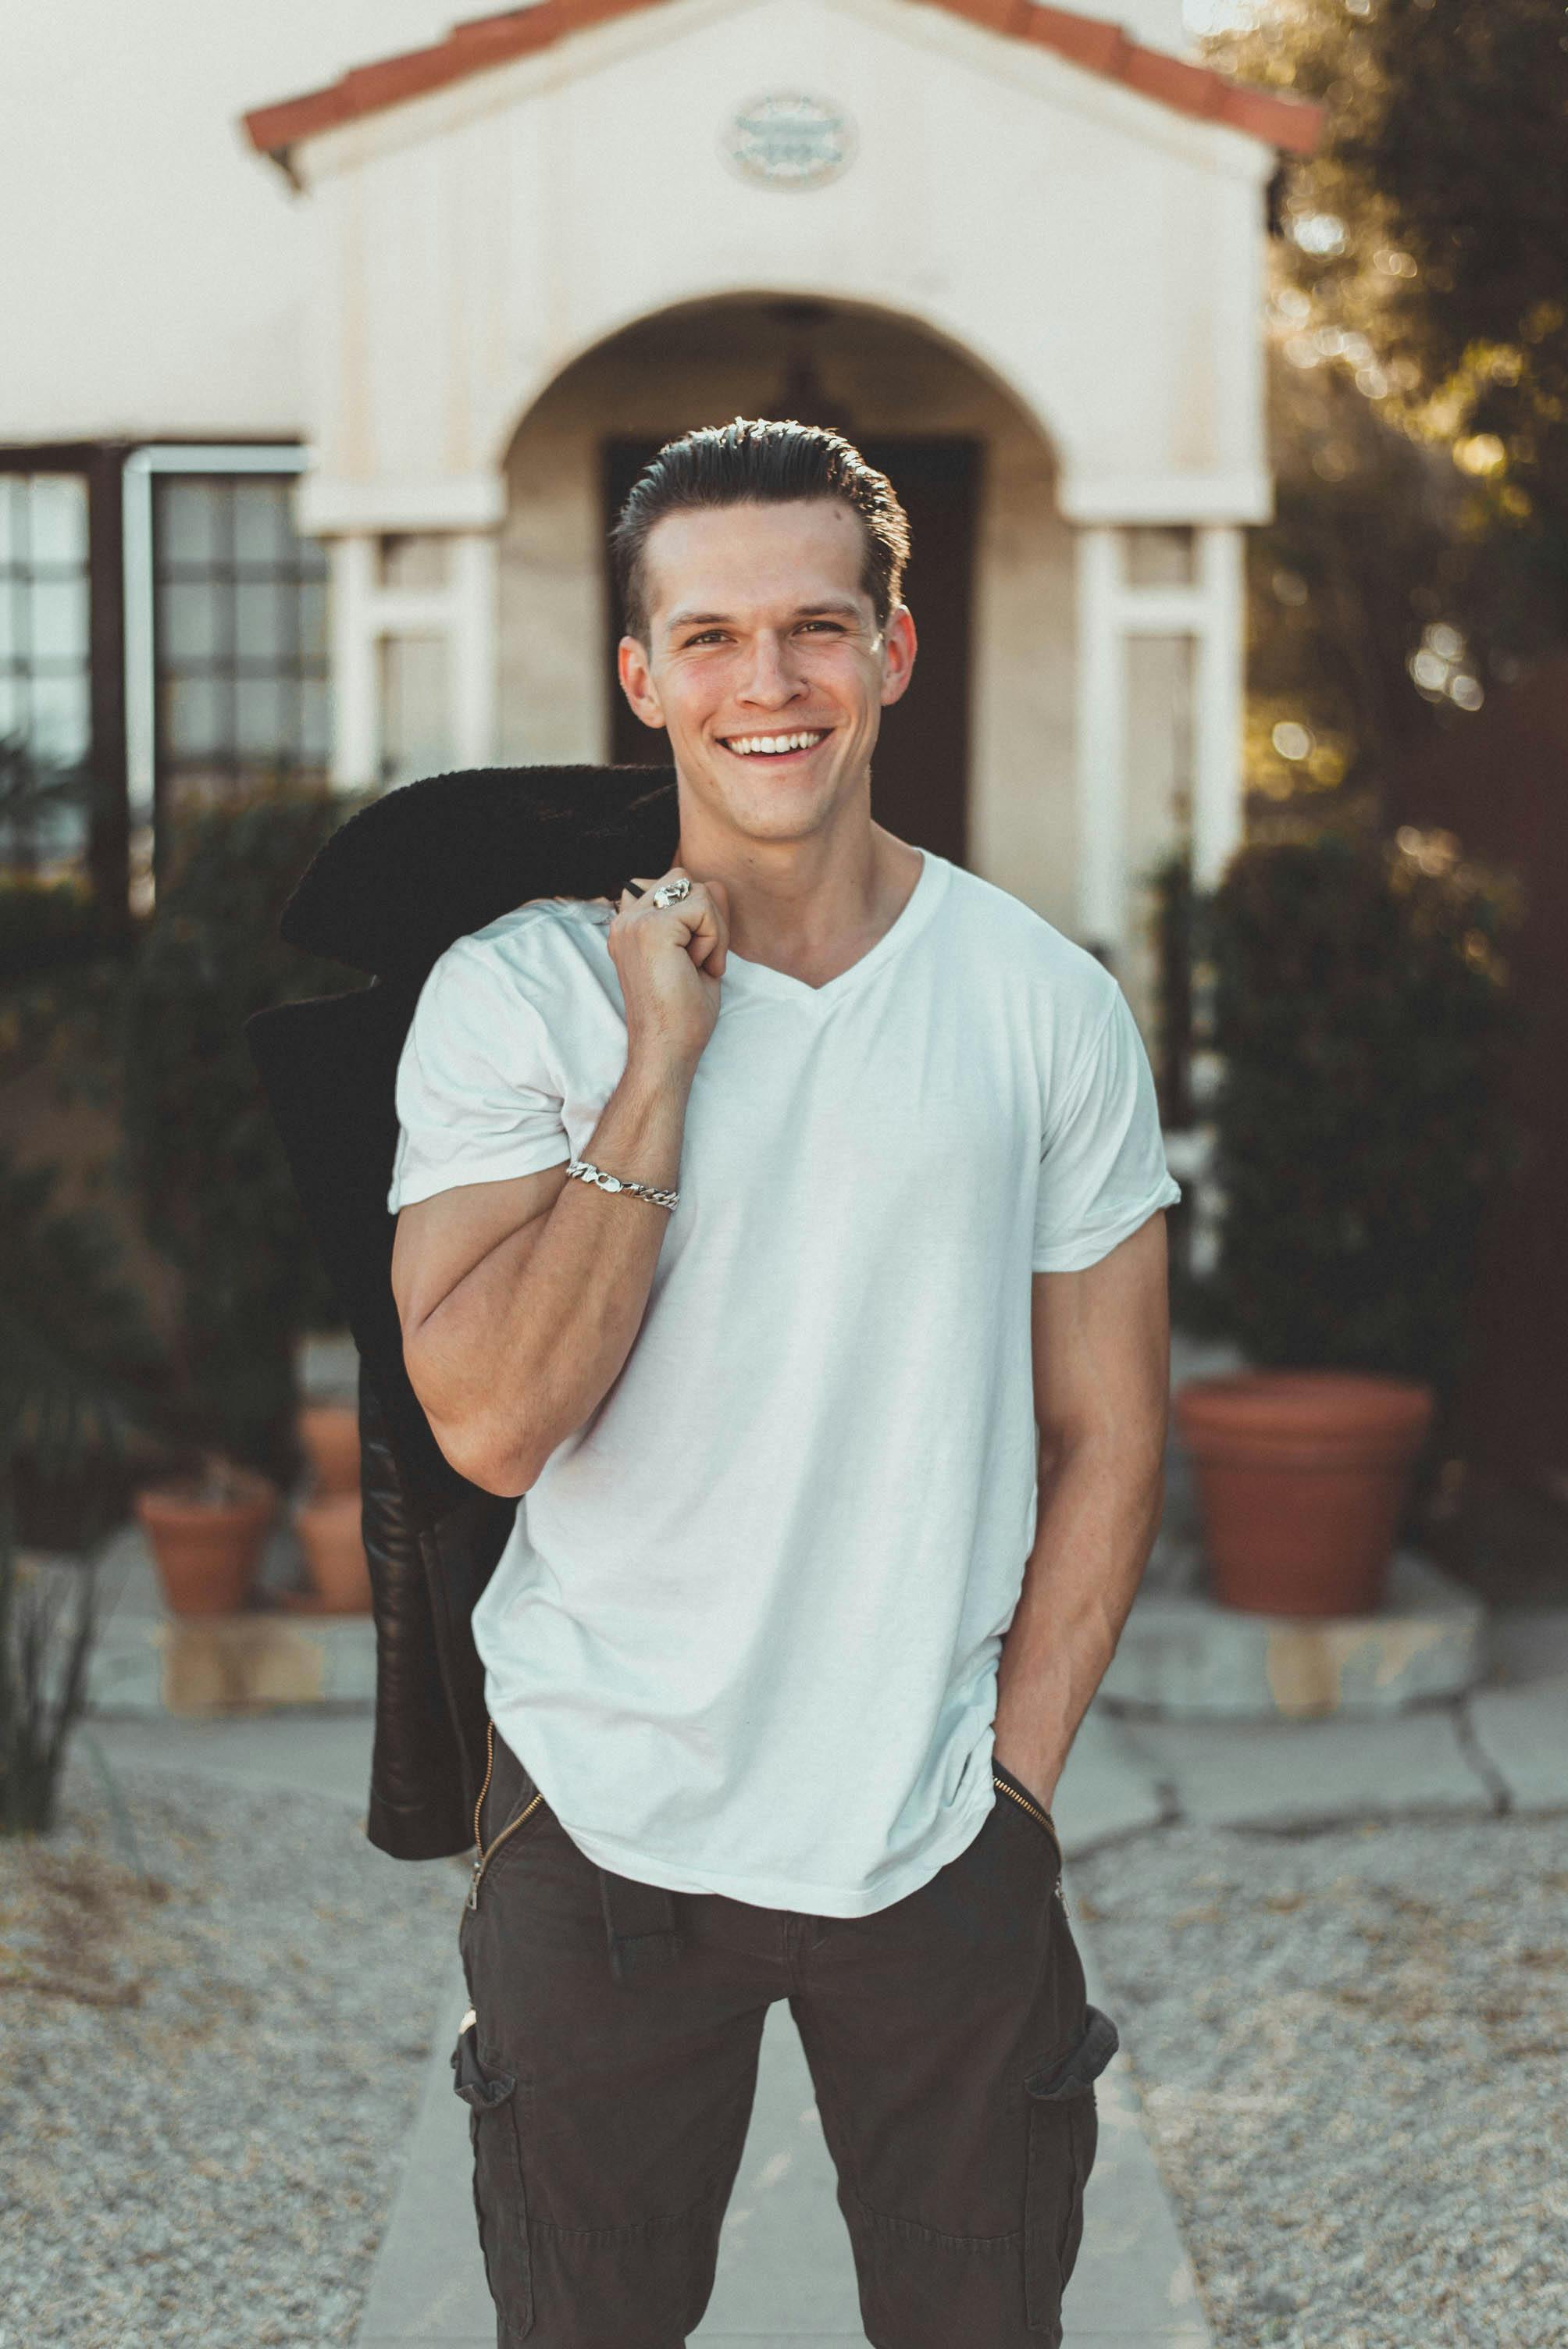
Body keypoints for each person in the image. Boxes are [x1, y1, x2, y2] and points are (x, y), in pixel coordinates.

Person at [386, 417, 1181, 2349]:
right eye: (715, 637)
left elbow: (1108, 1429)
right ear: (644, 676)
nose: (770, 683)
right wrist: (659, 1063)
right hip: (599, 1824)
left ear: (892, 653)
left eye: (817, 629)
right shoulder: (520, 998)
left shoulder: (1040, 1002)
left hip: (929, 1834)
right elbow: (489, 1417)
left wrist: (1009, 1784)